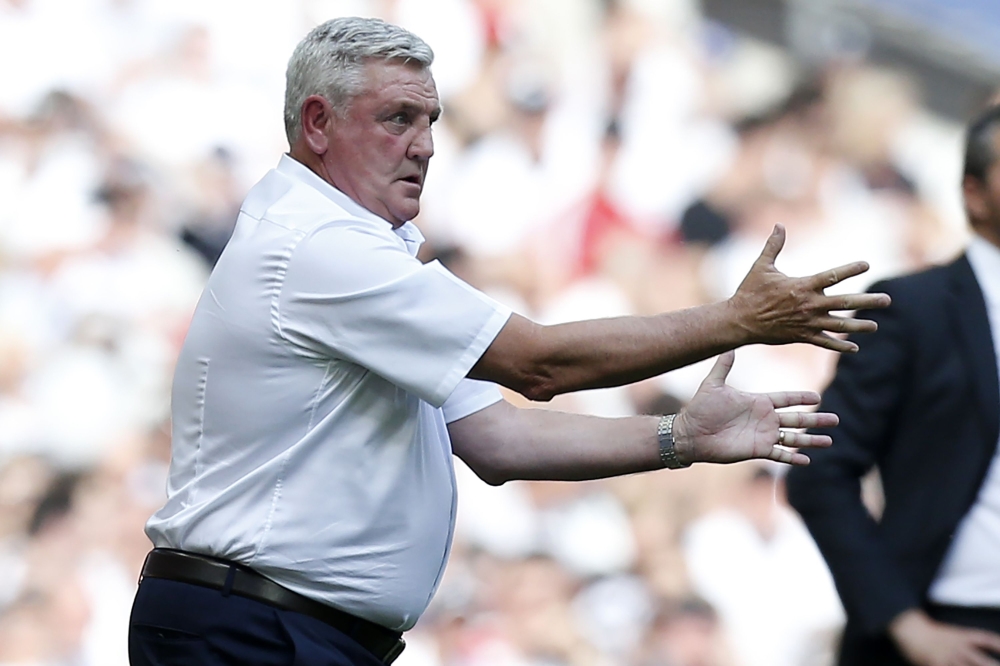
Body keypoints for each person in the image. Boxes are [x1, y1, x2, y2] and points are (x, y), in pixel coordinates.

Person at [127, 17, 889, 666]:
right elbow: (538, 363)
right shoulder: (322, 247)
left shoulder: (356, 250)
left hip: (277, 627)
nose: (424, 145)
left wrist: (676, 436)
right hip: (251, 629)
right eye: (397, 119)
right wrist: (735, 321)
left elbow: (499, 438)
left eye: (431, 121)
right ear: (318, 123)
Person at [787, 105, 1000, 666]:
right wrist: (903, 622)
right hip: (939, 622)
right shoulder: (912, 309)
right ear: (973, 194)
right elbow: (819, 473)